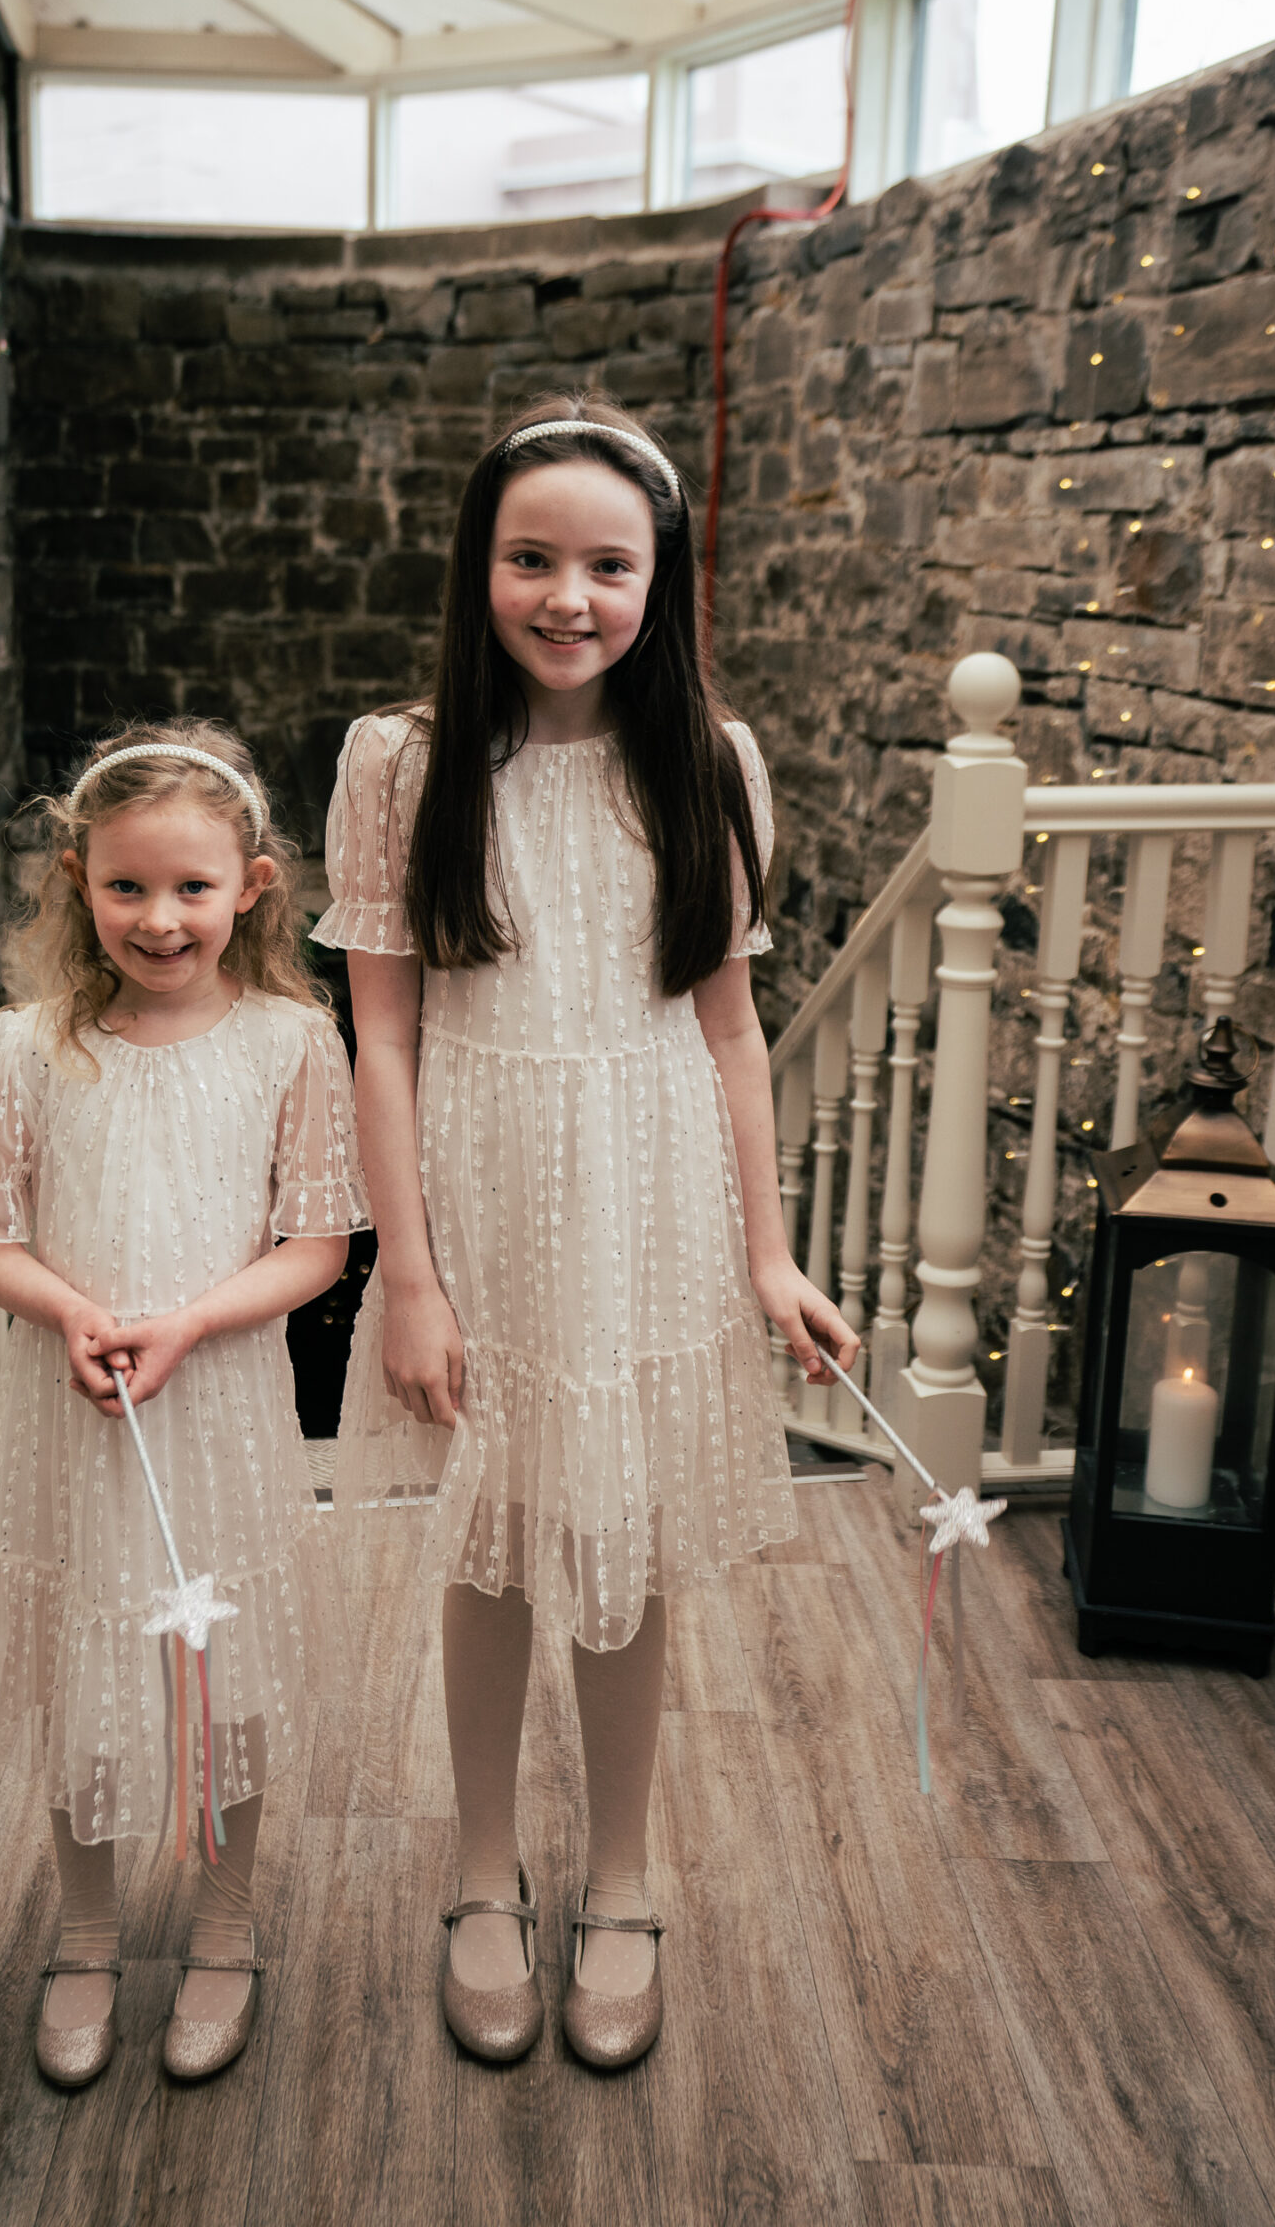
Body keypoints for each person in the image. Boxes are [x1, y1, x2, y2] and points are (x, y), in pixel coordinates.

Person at [317, 396, 858, 2070]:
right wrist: (405, 1276)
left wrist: (766, 1254)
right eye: (531, 558)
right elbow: (383, 1040)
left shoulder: (710, 762)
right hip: (476, 1196)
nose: (568, 596)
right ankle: (486, 1872)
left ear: (660, 578)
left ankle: (621, 1878)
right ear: (480, 567)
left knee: (619, 1552)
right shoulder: (400, 764)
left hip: (646, 1200)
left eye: (607, 564)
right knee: (490, 1549)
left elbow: (729, 1036)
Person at [0, 723, 366, 2089]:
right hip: (79, 1411)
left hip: (221, 1399)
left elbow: (317, 1246)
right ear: (76, 882)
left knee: (217, 1662)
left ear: (251, 884)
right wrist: (69, 1310)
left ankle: (226, 1931)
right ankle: (85, 1932)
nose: (160, 919)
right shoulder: (28, 1047)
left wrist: (185, 1320)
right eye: (127, 888)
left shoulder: (294, 1042)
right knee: (86, 1656)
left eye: (190, 887)